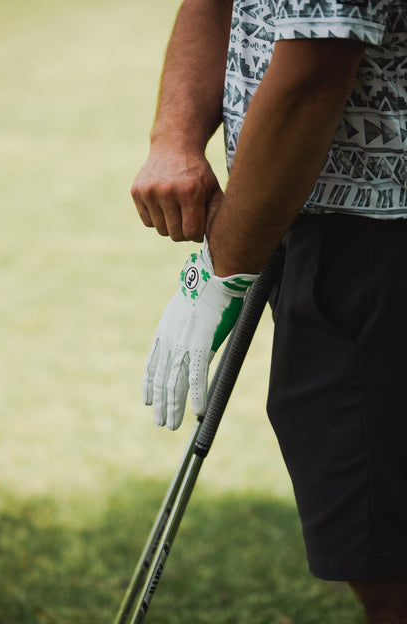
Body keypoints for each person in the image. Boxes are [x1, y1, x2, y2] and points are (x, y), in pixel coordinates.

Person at [131, 0, 407, 621]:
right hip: (311, 219)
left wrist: (219, 271)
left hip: (375, 237)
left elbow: (317, 63)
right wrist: (174, 138)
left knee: (380, 547)